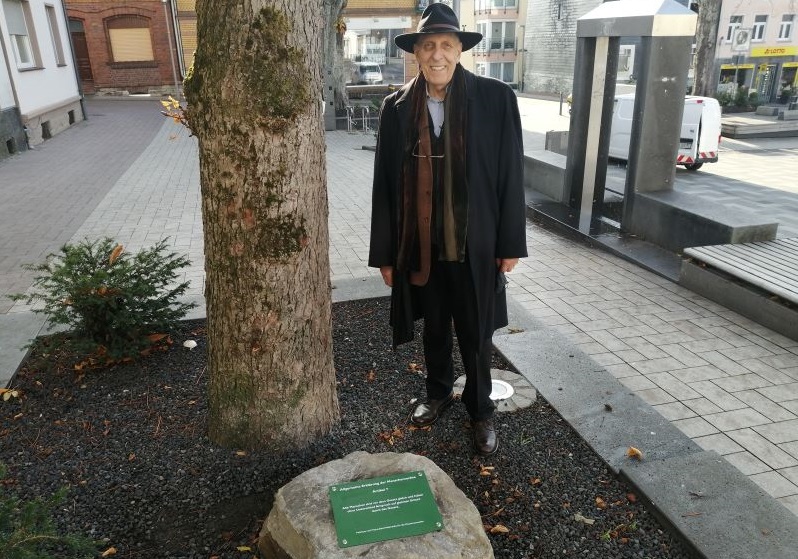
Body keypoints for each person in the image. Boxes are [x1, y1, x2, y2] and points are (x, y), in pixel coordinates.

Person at [368, 3, 527, 456]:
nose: (437, 54)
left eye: (446, 45)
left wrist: (510, 242)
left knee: (476, 329)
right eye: (428, 46)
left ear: (460, 51)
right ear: (415, 53)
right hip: (418, 243)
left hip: (475, 243)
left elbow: (511, 176)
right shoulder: (395, 107)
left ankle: (481, 410)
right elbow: (384, 184)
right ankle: (437, 392)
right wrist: (383, 253)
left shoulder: (495, 100)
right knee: (435, 324)